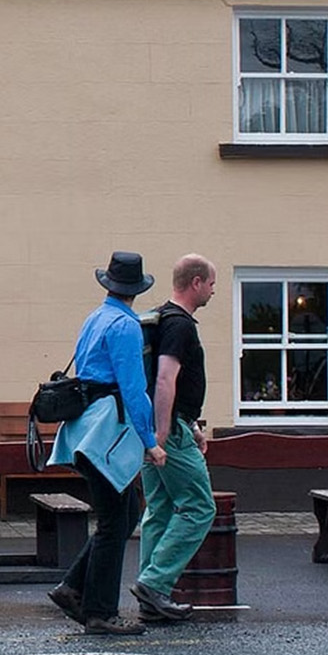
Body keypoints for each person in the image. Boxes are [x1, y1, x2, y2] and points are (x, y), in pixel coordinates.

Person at [46, 250, 167, 635]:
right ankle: (100, 612)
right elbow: (134, 389)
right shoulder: (128, 327)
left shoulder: (95, 318)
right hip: (105, 434)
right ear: (137, 289)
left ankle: (72, 588)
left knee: (124, 512)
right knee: (117, 520)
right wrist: (150, 441)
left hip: (82, 430)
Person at [130, 253, 218, 623]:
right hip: (169, 431)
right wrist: (163, 436)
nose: (214, 291)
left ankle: (151, 596)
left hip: (159, 426)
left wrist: (187, 425)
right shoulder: (180, 325)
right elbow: (166, 379)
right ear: (196, 282)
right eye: (212, 284)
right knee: (200, 507)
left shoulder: (161, 317)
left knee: (161, 509)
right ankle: (155, 583)